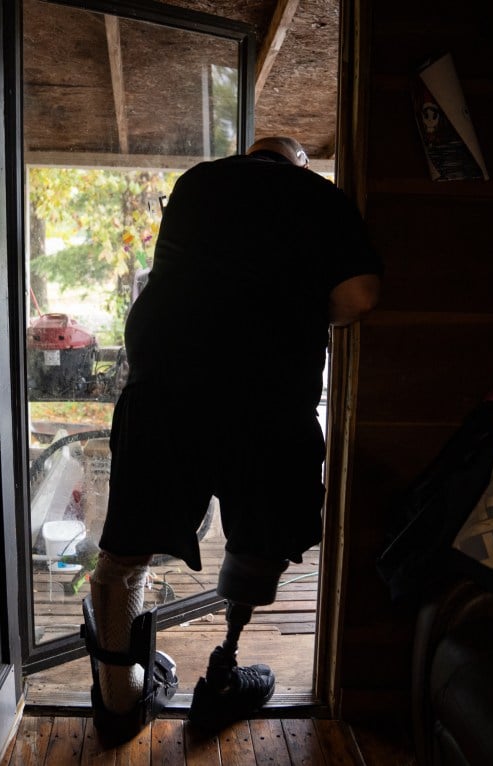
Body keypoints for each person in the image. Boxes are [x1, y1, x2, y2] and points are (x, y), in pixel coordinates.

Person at [80, 136, 383, 743]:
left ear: (250, 154)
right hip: (268, 397)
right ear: (297, 163)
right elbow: (358, 297)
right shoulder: (321, 196)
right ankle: (222, 674)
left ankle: (119, 702)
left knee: (126, 551)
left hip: (167, 384)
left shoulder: (198, 182)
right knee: (259, 542)